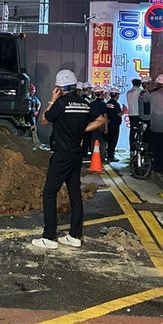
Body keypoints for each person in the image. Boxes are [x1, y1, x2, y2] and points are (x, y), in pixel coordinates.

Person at [32, 69, 106, 250]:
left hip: (62, 155)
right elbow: (101, 120)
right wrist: (82, 130)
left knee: (49, 193)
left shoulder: (61, 104)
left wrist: (52, 100)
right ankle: (74, 235)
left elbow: (44, 120)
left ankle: (49, 237)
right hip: (76, 154)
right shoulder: (84, 103)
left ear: (59, 87)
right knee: (75, 192)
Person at [88, 86, 108, 159]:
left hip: (93, 124)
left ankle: (94, 156)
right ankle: (101, 157)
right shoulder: (103, 104)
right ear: (101, 93)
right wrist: (106, 127)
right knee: (102, 141)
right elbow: (105, 116)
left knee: (93, 140)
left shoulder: (91, 104)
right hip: (101, 125)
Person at [105, 88, 123, 162]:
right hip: (115, 125)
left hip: (109, 124)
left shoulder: (108, 103)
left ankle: (108, 153)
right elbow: (119, 114)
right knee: (113, 141)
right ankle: (111, 156)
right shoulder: (116, 104)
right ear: (117, 95)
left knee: (108, 140)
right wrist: (124, 111)